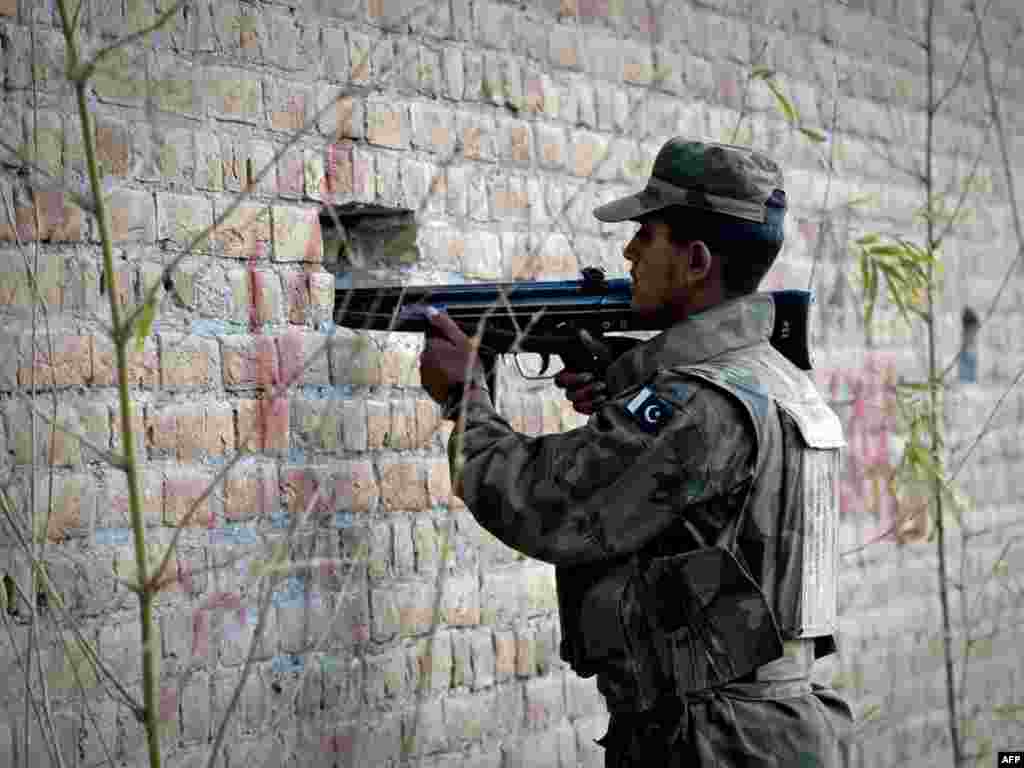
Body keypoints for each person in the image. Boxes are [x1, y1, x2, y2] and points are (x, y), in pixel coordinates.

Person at [419, 138, 854, 767]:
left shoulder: (694, 405)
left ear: (697, 259)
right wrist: (629, 381)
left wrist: (465, 397)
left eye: (646, 237)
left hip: (712, 741)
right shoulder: (774, 377)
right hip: (776, 727)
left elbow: (547, 506)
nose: (628, 253)